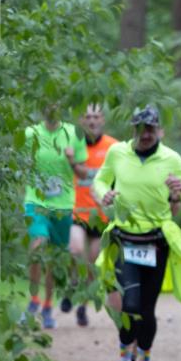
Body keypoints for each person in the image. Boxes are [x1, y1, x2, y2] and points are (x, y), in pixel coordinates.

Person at [92, 105, 181, 361]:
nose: (145, 134)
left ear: (160, 131)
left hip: (156, 241)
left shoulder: (172, 159)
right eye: (140, 128)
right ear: (133, 129)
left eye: (151, 128)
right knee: (129, 305)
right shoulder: (117, 153)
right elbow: (100, 180)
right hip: (124, 239)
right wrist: (103, 194)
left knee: (147, 309)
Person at [22, 101, 88, 329]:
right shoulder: (30, 134)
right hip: (36, 202)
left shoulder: (74, 133)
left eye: (57, 103)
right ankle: (33, 301)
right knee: (37, 245)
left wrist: (71, 161)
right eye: (48, 103)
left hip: (62, 206)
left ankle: (48, 306)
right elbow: (17, 163)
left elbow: (83, 171)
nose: (52, 107)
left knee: (54, 258)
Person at [61, 103, 118, 327]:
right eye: (88, 117)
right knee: (75, 250)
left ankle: (82, 306)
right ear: (82, 121)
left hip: (101, 214)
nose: (92, 121)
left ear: (102, 120)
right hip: (78, 209)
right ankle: (72, 284)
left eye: (96, 117)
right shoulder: (72, 146)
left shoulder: (113, 147)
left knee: (93, 263)